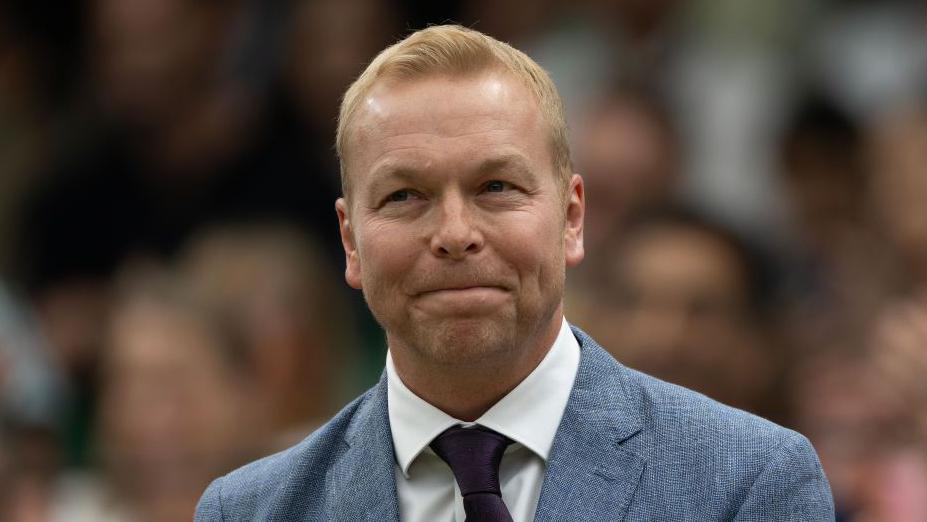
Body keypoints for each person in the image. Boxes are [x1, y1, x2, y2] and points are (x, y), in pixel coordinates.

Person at [195, 25, 834, 521]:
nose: (453, 234)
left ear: (572, 218)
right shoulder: (251, 511)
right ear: (350, 240)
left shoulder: (748, 481)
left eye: (495, 186)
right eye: (404, 196)